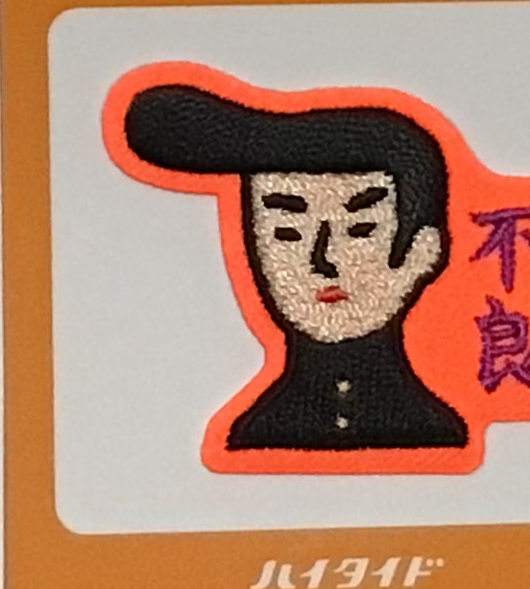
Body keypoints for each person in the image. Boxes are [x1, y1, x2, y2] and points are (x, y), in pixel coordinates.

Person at [121, 82, 469, 451]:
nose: (323, 260)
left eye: (360, 228)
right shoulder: (260, 432)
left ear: (423, 251)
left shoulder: (434, 431)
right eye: (288, 231)